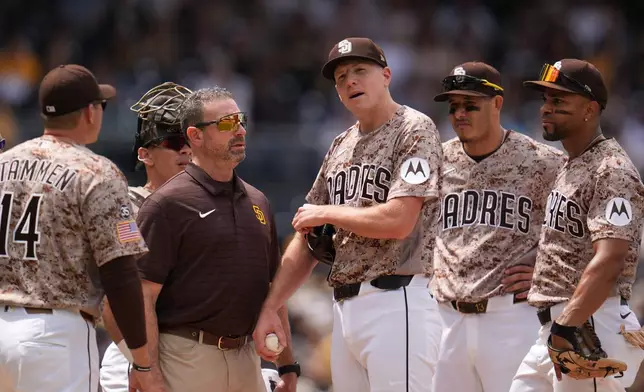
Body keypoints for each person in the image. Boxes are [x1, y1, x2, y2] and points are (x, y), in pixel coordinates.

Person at [253, 37, 444, 392]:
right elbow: (307, 235)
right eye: (341, 77)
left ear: (386, 75)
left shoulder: (414, 129)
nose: (350, 81)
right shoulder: (341, 145)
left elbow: (399, 220)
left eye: (360, 71)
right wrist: (271, 304)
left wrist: (329, 211)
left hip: (398, 300)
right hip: (345, 308)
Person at [0, 64, 158, 392]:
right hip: (55, 337)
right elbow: (121, 274)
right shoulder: (97, 172)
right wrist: (141, 360)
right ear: (89, 112)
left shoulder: (3, 164)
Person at [133, 86, 299, 392]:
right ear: (195, 136)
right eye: (225, 124)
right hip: (186, 357)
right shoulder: (166, 204)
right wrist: (146, 368)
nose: (239, 131)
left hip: (248, 357)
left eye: (240, 121)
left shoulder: (259, 201)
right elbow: (143, 297)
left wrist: (287, 365)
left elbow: (275, 291)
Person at [430, 61, 565, 392]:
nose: (460, 113)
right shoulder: (435, 160)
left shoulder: (543, 161)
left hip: (512, 318)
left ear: (497, 103)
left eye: (471, 105)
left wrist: (548, 269)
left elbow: (590, 229)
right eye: (454, 107)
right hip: (444, 318)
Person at [510, 59, 644, 391]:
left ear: (589, 108)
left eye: (559, 100)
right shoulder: (573, 164)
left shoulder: (611, 168)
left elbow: (611, 258)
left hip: (586, 326)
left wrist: (567, 325)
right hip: (556, 327)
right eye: (545, 99)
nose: (546, 108)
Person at [99, 81, 192, 392]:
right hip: (133, 352)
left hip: (193, 352)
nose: (184, 150)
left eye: (190, 140)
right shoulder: (125, 204)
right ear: (145, 154)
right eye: (172, 141)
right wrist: (142, 364)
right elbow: (115, 299)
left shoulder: (211, 205)